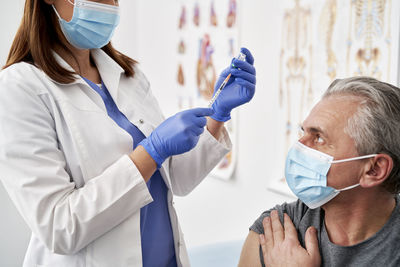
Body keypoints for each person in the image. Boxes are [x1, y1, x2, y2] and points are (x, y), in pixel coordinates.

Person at [0, 0, 256, 266]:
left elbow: (177, 178)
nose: (110, 5)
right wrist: (151, 151)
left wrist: (217, 116)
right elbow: (59, 226)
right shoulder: (20, 88)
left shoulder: (129, 75)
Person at [238, 77, 400, 266]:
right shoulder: (276, 232)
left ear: (374, 169)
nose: (298, 147)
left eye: (319, 138)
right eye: (303, 132)